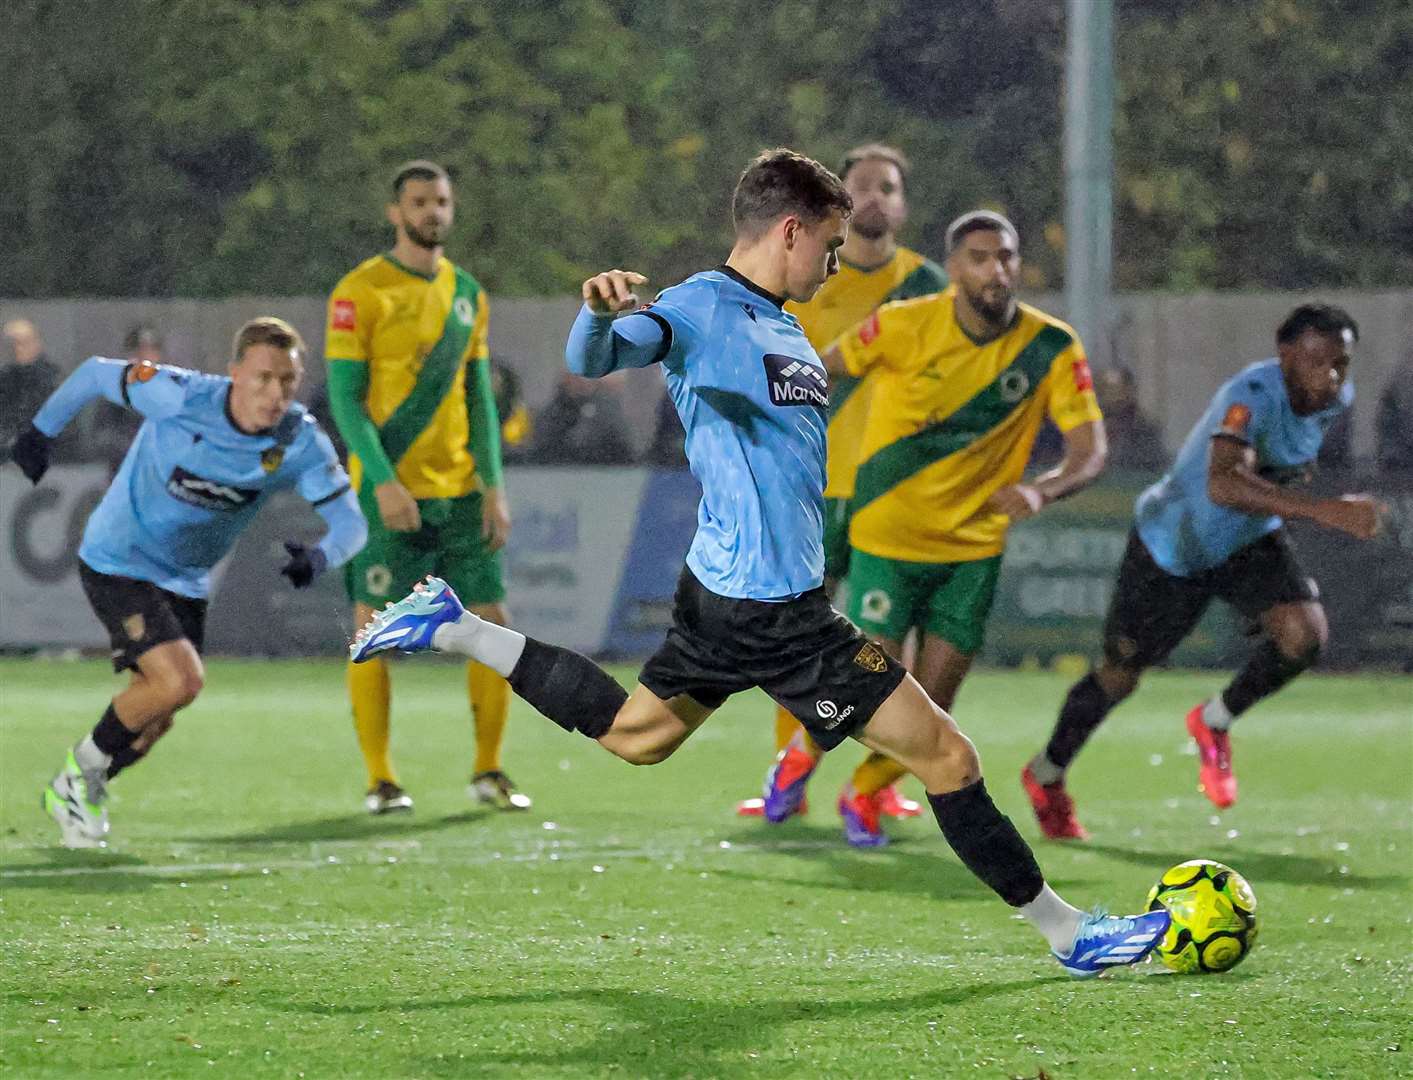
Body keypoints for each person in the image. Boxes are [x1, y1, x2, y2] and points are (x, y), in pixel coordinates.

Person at [351, 148, 1169, 978]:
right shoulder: (701, 307)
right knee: (949, 758)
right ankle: (1070, 935)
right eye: (829, 244)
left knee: (636, 739)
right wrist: (598, 315)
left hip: (734, 595)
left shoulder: (783, 320)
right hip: (773, 612)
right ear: (788, 230)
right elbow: (599, 356)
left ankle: (455, 627)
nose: (836, 260)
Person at [759, 210, 1109, 847]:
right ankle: (804, 752)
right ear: (953, 268)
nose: (995, 270)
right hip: (888, 538)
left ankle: (862, 793)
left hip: (973, 550)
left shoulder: (1050, 346)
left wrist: (1042, 488)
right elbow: (817, 368)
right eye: (979, 257)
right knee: (872, 685)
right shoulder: (901, 325)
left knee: (932, 710)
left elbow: (1089, 450)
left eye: (1005, 256)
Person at [1021, 304, 1386, 839]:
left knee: (1304, 635)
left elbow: (1274, 477)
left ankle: (1213, 721)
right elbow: (1224, 484)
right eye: (1317, 363)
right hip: (1172, 547)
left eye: (1342, 365)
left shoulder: (1335, 402)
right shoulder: (1250, 397)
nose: (1331, 378)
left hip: (1244, 542)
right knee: (1118, 678)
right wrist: (1328, 510)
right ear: (1285, 356)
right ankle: (1046, 775)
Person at [8, 317, 366, 848]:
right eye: (262, 378)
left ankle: (83, 783)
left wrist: (318, 559)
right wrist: (40, 432)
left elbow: (353, 525)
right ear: (234, 372)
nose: (275, 393)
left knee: (157, 716)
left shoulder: (299, 440)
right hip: (119, 558)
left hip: (187, 579)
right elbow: (94, 375)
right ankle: (76, 780)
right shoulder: (180, 396)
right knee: (179, 681)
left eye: (287, 381)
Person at [734, 142, 949, 823]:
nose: (877, 198)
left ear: (903, 203)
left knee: (895, 645)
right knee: (795, 633)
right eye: (863, 186)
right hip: (809, 486)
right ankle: (786, 782)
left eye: (889, 186)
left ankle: (878, 783)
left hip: (893, 489)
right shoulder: (803, 275)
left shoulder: (928, 287)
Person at [324, 160, 526, 815]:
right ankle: (381, 777)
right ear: (395, 212)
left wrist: (493, 485)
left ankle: (489, 771)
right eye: (419, 202)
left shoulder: (468, 292)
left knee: (494, 626)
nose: (432, 212)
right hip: (391, 496)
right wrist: (381, 483)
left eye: (441, 201)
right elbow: (346, 403)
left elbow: (479, 398)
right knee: (371, 632)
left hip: (462, 492)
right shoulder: (361, 291)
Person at [88, 324, 164, 474]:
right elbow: (100, 436)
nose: (145, 359)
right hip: (122, 471)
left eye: (150, 352)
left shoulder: (171, 389)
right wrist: (133, 447)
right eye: (139, 353)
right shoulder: (113, 392)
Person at [528, 370, 635, 466]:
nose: (579, 384)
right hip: (564, 467)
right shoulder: (557, 412)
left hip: (599, 467)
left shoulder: (601, 408)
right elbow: (547, 441)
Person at [1, 319, 61, 462]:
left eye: (23, 342)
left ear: (37, 343)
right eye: (11, 343)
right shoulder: (4, 380)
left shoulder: (53, 380)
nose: (17, 348)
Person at [1093, 365, 1166, 471]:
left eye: (1116, 389)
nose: (1111, 395)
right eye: (1105, 389)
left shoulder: (1144, 429)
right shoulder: (1089, 427)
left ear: (1128, 390)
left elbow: (1153, 466)